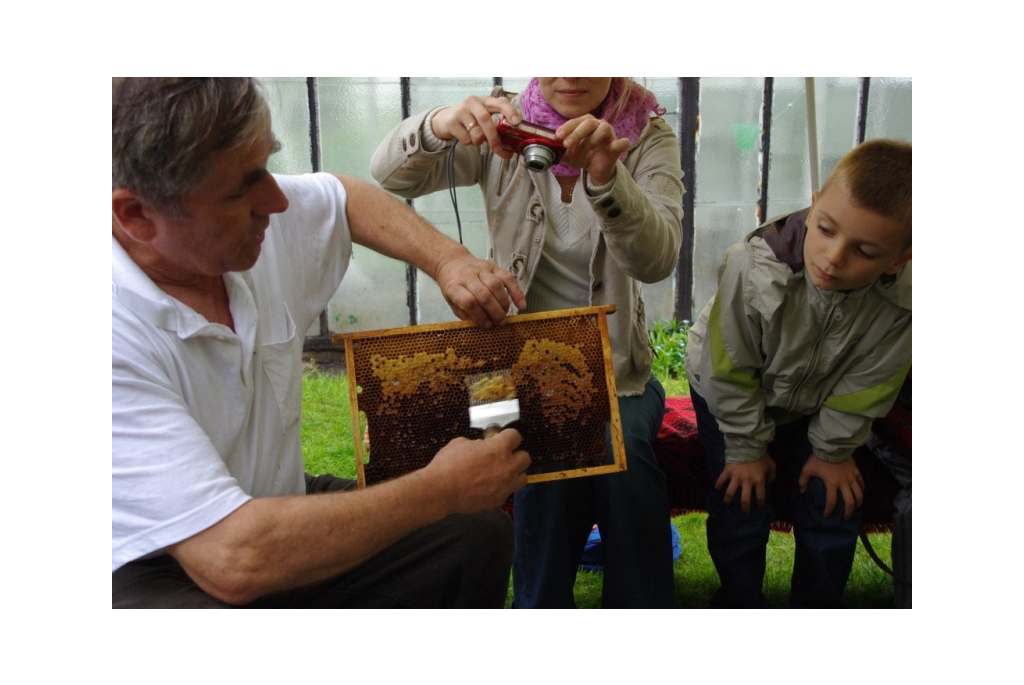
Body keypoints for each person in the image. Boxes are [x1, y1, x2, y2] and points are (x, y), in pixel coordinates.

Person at [112, 77, 533, 608]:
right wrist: (437, 489)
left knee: (470, 536)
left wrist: (448, 260)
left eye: (268, 164)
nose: (277, 199)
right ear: (136, 215)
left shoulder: (245, 225)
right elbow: (232, 557)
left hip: (268, 504)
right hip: (153, 564)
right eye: (243, 186)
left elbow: (341, 197)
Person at [371, 77, 684, 608]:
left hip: (618, 372)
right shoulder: (505, 126)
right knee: (538, 447)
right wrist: (436, 125)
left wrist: (609, 180)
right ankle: (539, 606)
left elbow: (656, 261)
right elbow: (387, 176)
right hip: (508, 370)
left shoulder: (647, 136)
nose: (569, 75)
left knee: (622, 450)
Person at [685, 139, 912, 608]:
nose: (832, 257)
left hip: (819, 402)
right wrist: (746, 450)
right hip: (728, 392)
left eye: (864, 251)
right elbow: (729, 368)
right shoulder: (752, 267)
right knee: (740, 498)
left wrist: (832, 452)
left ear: (901, 258)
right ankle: (738, 602)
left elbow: (869, 384)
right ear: (813, 207)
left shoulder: (907, 302)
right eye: (824, 229)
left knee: (832, 503)